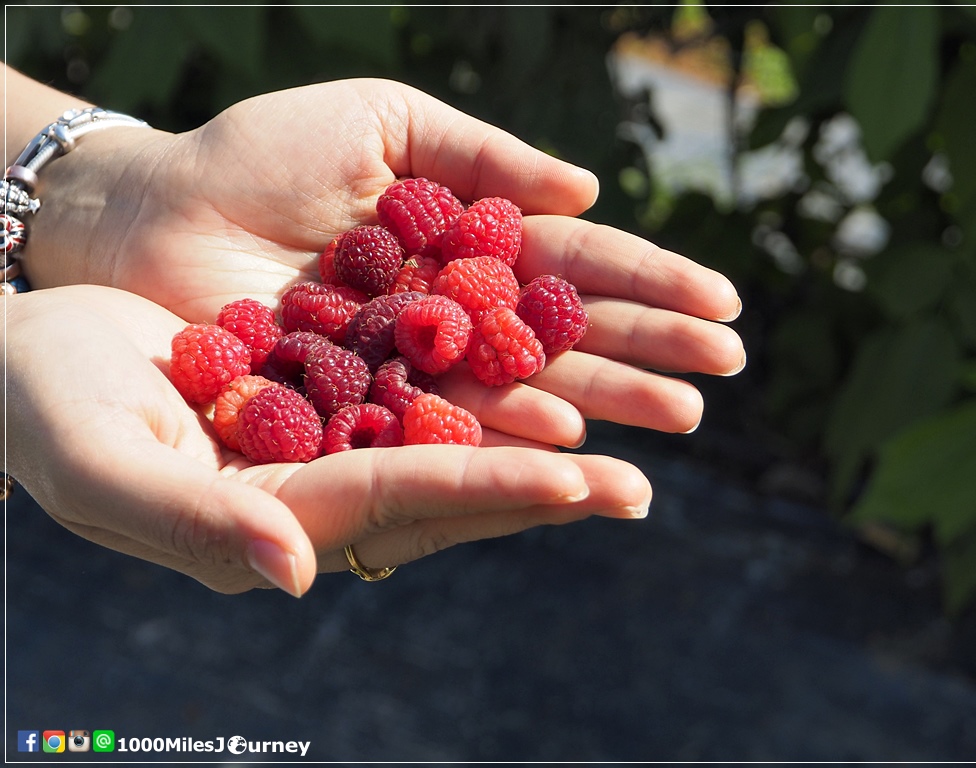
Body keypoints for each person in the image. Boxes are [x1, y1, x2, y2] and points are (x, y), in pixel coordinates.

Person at [2, 63, 745, 597]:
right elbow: (342, 359)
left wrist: (84, 181)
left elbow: (371, 350)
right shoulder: (343, 333)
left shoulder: (417, 308)